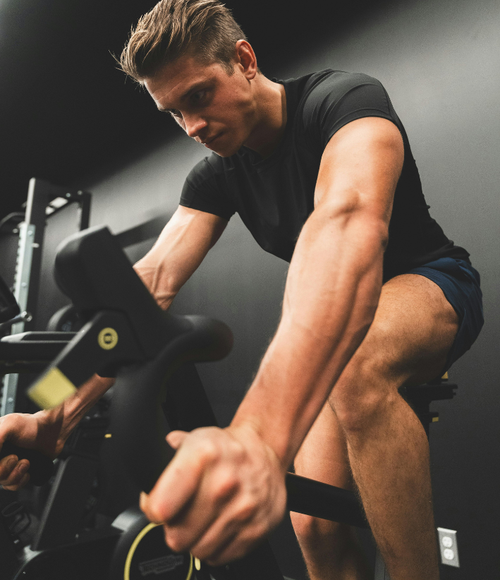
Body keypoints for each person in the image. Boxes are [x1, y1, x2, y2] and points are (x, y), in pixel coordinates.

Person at [0, 1, 483, 578]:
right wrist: (55, 413)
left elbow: (347, 224)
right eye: (174, 113)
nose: (192, 127)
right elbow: (147, 289)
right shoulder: (216, 175)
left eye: (199, 96)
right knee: (313, 522)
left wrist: (259, 437)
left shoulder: (343, 102)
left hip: (431, 284)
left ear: (245, 60)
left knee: (356, 361)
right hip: (342, 323)